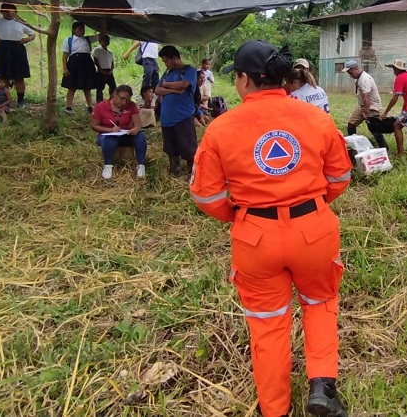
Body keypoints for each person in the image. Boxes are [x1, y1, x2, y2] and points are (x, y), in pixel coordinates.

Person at [190, 40, 353, 417]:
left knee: (267, 324)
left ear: (246, 80)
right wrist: (310, 206)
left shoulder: (220, 128)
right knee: (320, 303)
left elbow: (206, 195)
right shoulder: (316, 117)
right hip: (314, 230)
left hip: (254, 238)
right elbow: (341, 176)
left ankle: (274, 408)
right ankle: (323, 388)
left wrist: (241, 216)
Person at [155, 45, 199, 178]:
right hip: (167, 117)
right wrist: (173, 90)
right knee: (170, 146)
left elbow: (183, 85)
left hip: (183, 115)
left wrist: (166, 85)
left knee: (188, 145)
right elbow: (157, 90)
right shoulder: (167, 73)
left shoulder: (189, 70)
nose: (165, 64)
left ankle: (192, 171)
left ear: (174, 58)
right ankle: (175, 169)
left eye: (166, 61)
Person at [0, 3, 35, 107]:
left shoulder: (21, 23)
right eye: (6, 11)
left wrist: (26, 39)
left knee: (19, 77)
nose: (9, 13)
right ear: (1, 12)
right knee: (3, 76)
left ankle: (20, 100)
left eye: (12, 11)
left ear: (15, 12)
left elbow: (32, 34)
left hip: (17, 49)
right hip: (2, 48)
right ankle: (5, 100)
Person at [90, 85, 146, 180]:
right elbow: (94, 125)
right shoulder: (101, 106)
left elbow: (138, 124)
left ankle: (141, 165)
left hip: (125, 134)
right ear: (115, 94)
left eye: (127, 100)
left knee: (140, 137)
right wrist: (110, 130)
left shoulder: (131, 106)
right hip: (107, 135)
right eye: (122, 99)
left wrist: (134, 130)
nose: (124, 102)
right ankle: (108, 165)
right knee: (110, 140)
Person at [343, 60, 389, 150]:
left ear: (356, 68)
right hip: (362, 106)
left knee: (374, 128)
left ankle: (384, 148)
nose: (350, 75)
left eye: (351, 73)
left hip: (372, 106)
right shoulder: (359, 78)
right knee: (351, 124)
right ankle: (354, 145)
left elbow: (367, 96)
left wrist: (366, 112)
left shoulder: (364, 79)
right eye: (349, 73)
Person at [62, 22, 100, 114]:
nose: (82, 31)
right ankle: (69, 106)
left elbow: (101, 36)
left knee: (87, 86)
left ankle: (90, 106)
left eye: (83, 29)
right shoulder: (69, 40)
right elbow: (65, 55)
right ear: (74, 30)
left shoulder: (87, 39)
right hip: (74, 63)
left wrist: (102, 25)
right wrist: (65, 68)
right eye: (79, 29)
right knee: (72, 86)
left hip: (86, 63)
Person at [93, 34, 116, 102]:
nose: (106, 42)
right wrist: (100, 69)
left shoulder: (110, 52)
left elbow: (112, 62)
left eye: (108, 40)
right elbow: (96, 60)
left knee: (113, 87)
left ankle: (112, 100)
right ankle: (99, 102)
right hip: (101, 71)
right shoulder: (97, 50)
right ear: (100, 41)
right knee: (100, 88)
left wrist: (111, 70)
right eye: (104, 40)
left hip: (109, 70)